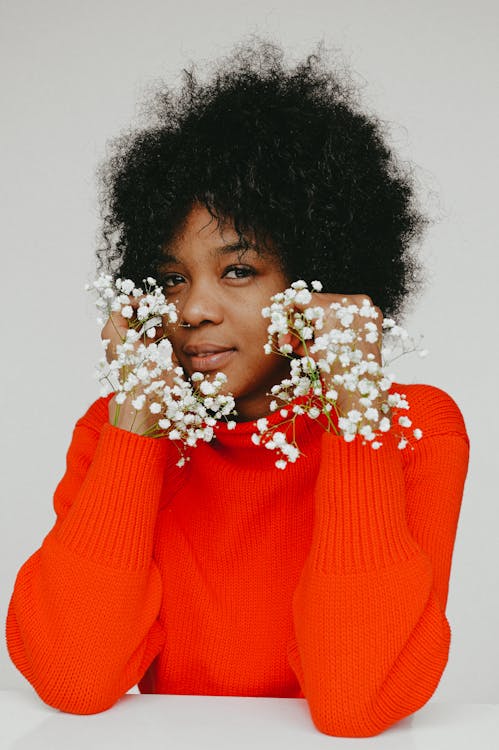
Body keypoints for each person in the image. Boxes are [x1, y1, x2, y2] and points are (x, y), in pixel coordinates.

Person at [5, 39, 469, 737]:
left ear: (320, 273)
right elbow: (75, 677)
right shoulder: (120, 429)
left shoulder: (409, 427)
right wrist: (136, 427)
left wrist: (357, 418)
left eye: (240, 270)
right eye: (171, 278)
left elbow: (356, 701)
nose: (192, 309)